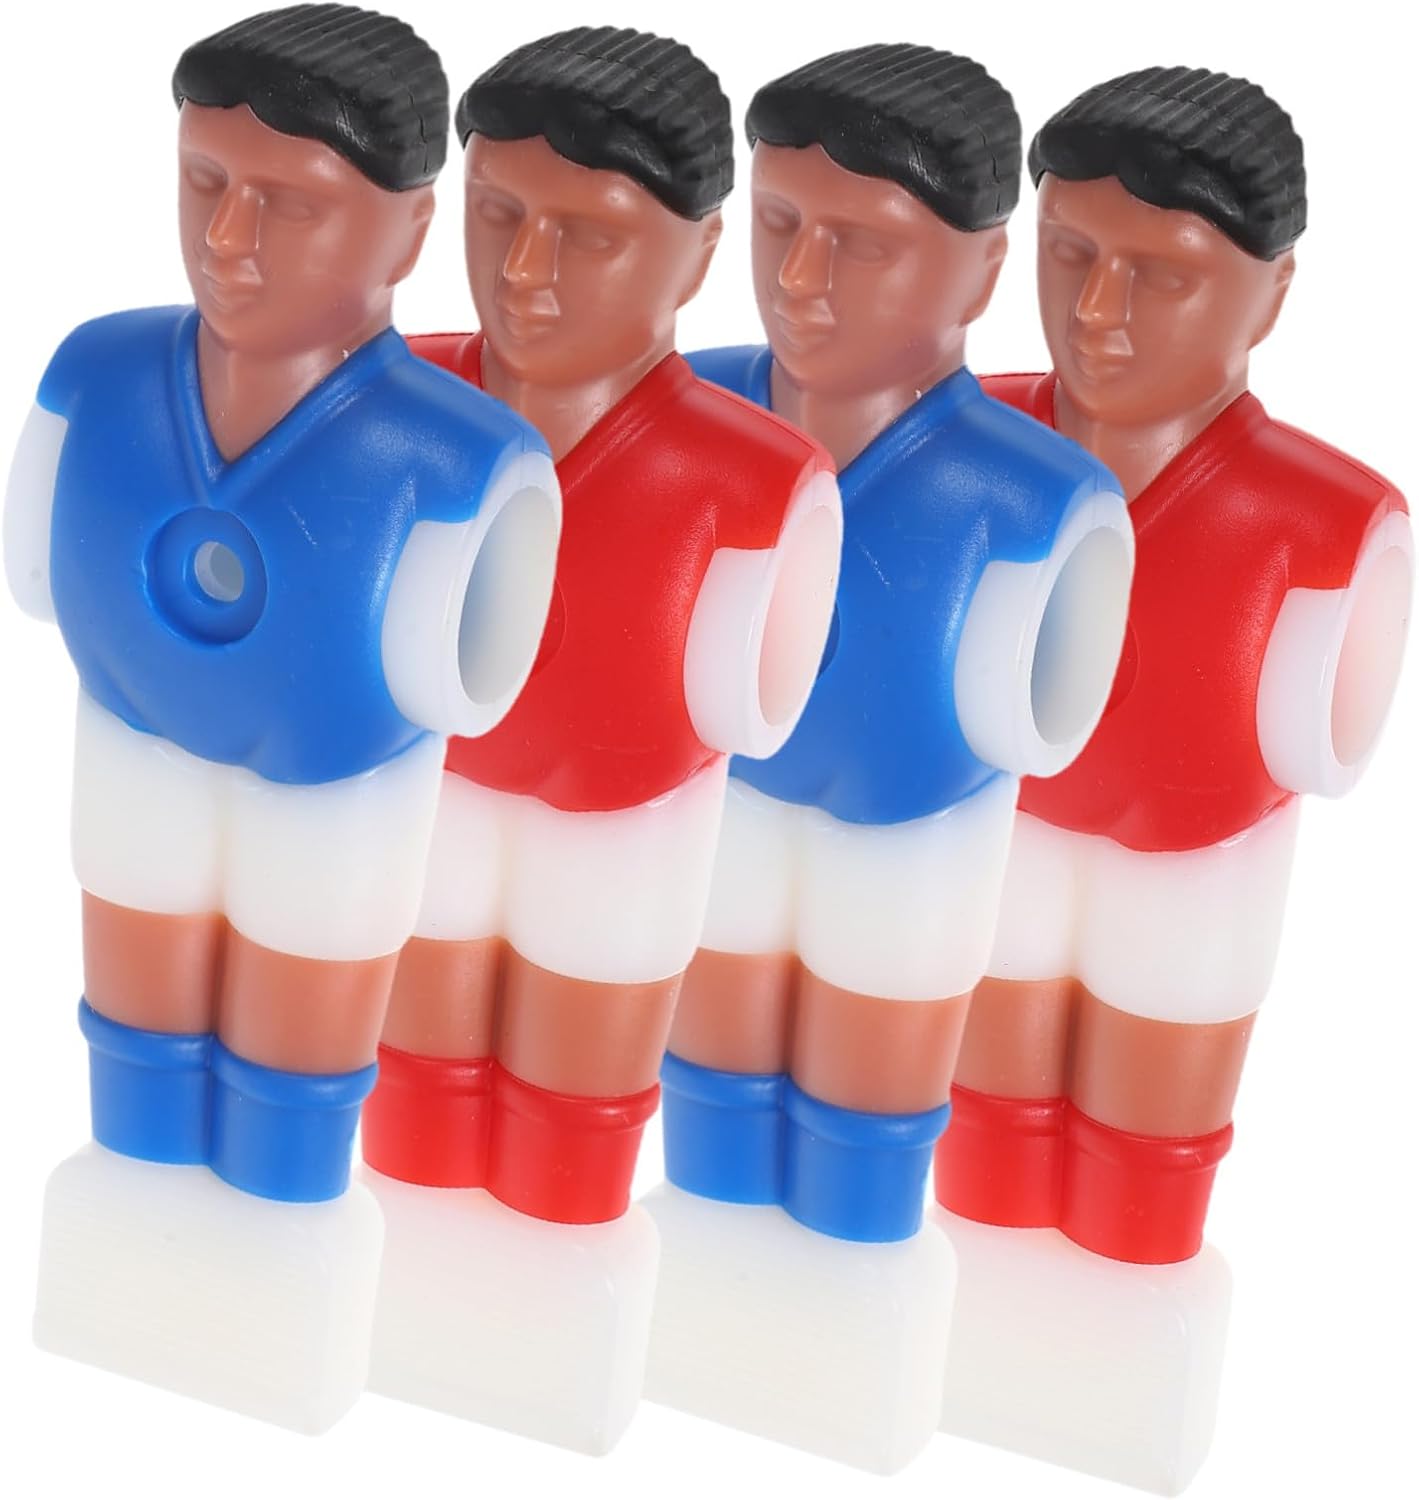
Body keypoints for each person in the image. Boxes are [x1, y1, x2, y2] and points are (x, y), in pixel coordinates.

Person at [2, 4, 562, 1203]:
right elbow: (36, 577)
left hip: (335, 812)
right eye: (205, 181)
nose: (229, 239)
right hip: (135, 771)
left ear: (409, 230)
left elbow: (474, 683)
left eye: (290, 205)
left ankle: (283, 1240)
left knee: (287, 1135)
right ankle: (131, 1230)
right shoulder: (94, 376)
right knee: (133, 1096)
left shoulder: (464, 465)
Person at [361, 26, 843, 1225]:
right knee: (410, 1142)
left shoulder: (755, 484)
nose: (526, 268)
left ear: (696, 257)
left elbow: (759, 708)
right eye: (497, 214)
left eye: (588, 234)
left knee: (568, 1167)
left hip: (623, 854)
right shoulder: (388, 406)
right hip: (416, 827)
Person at [937, 66, 1413, 1263]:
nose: (1099, 308)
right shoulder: (965, 443)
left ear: (1270, 294)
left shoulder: (1326, 525)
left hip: (1196, 891)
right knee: (982, 1167)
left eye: (1162, 274)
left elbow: (1325, 739)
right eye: (1069, 253)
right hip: (993, 858)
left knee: (1144, 1195)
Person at [664, 44, 1134, 1242]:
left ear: (981, 270)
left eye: (862, 244)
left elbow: (1054, 719)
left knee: (861, 1176)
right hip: (711, 838)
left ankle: (862, 1298)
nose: (802, 280)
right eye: (779, 224)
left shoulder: (1037, 500)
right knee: (708, 1143)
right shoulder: (685, 416)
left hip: (913, 862)